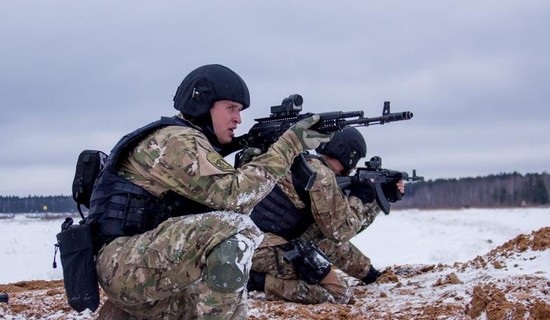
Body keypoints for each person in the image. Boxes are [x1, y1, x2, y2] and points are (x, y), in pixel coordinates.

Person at [87, 64, 331, 319]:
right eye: (231, 108)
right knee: (235, 229)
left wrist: (255, 160)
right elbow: (233, 199)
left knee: (228, 274)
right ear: (202, 104)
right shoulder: (176, 140)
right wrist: (288, 147)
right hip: (123, 264)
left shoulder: (192, 141)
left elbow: (230, 204)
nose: (238, 119)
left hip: (142, 264)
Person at [246, 127, 405, 304]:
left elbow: (331, 239)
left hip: (256, 243)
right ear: (349, 155)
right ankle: (256, 281)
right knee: (338, 294)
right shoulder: (322, 176)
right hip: (261, 250)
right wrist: (359, 197)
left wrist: (369, 274)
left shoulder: (304, 164)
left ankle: (367, 273)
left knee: (321, 238)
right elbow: (342, 231)